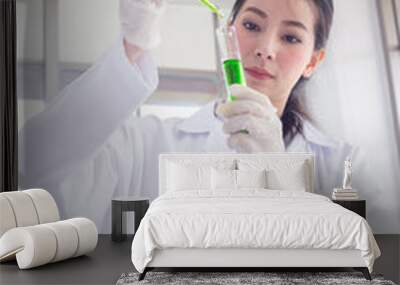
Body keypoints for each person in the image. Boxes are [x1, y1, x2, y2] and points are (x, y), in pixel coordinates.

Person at [19, 0, 352, 233]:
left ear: (313, 60)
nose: (266, 47)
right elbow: (34, 161)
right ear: (229, 31)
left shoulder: (340, 163)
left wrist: (277, 173)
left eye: (291, 37)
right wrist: (133, 48)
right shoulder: (146, 142)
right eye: (251, 24)